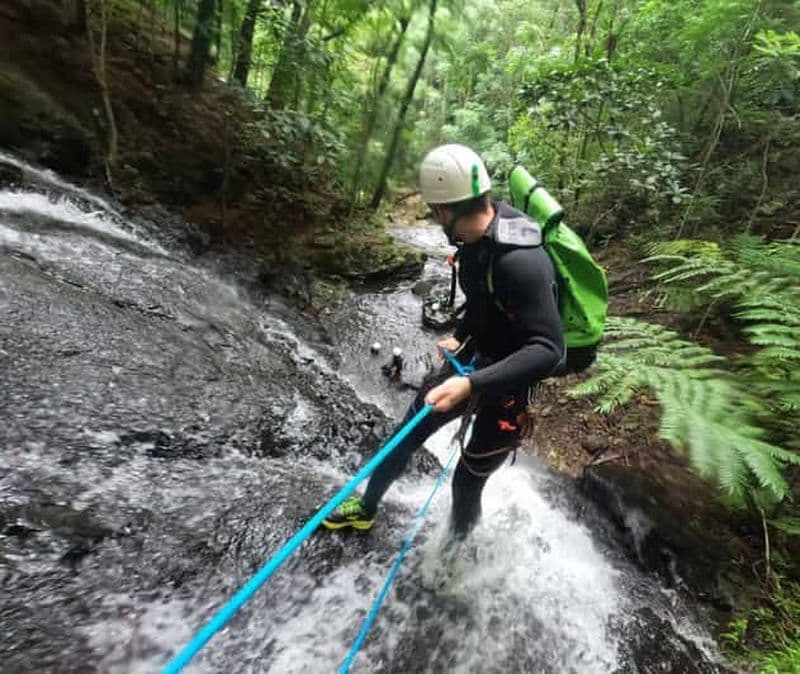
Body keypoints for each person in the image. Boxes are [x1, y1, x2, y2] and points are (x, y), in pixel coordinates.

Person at [323, 144, 564, 537]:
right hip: (473, 359)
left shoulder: (522, 262)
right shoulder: (474, 244)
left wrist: (471, 384)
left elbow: (549, 350)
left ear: (443, 209)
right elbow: (486, 299)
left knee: (467, 481)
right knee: (405, 434)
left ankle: (455, 555)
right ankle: (365, 508)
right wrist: (464, 334)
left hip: (509, 386)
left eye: (435, 212)